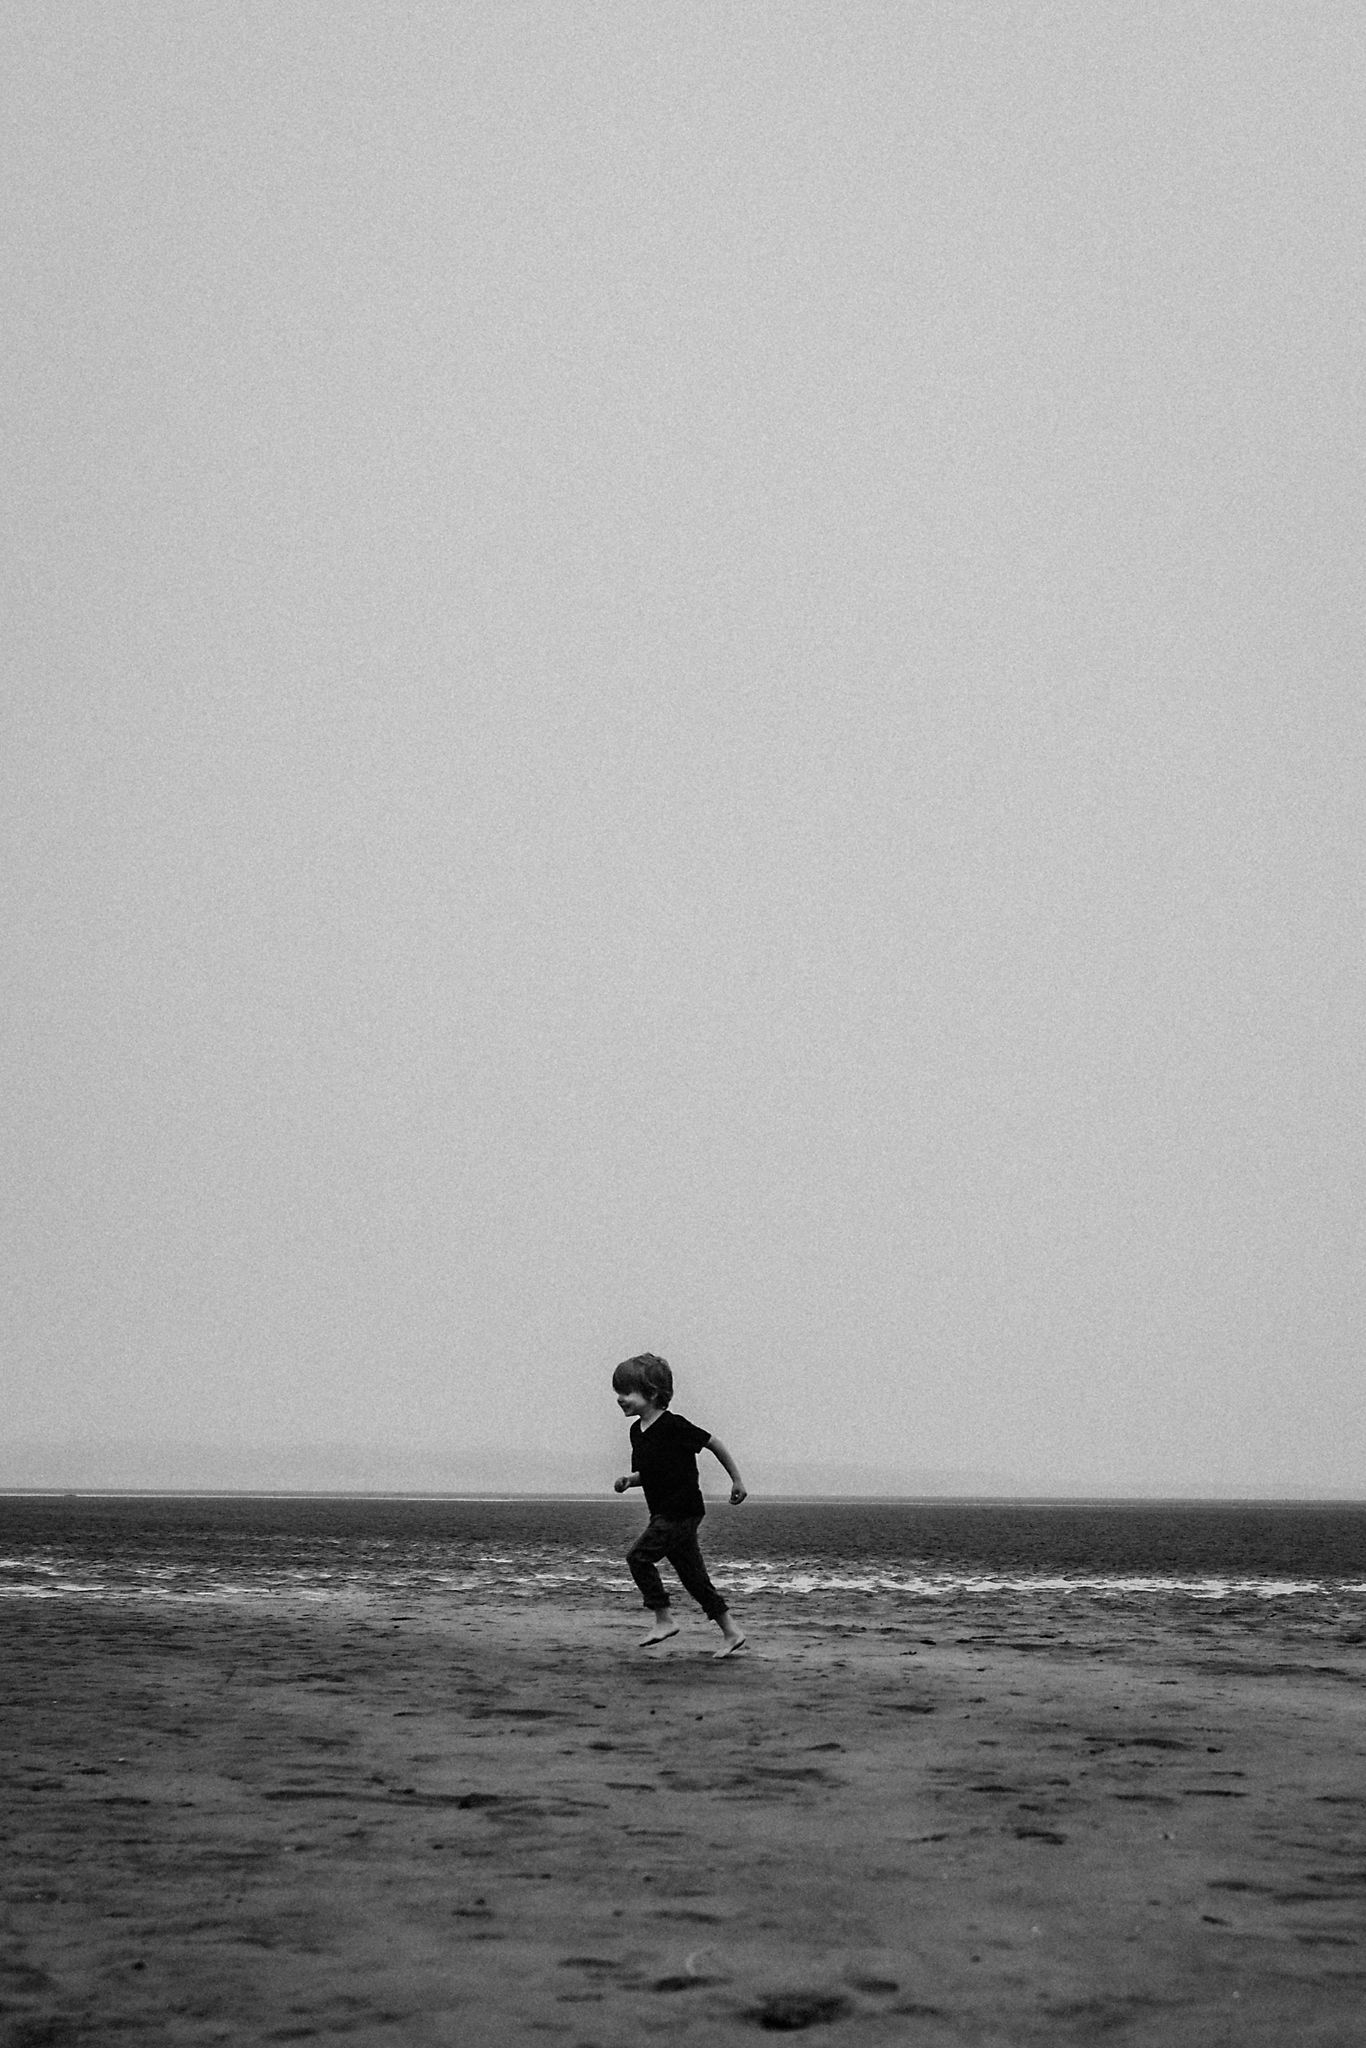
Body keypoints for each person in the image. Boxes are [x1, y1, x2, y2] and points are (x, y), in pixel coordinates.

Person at [611, 1352, 748, 1658]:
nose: (620, 1399)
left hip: (681, 1510)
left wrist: (736, 1480)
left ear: (653, 1394)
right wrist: (629, 1480)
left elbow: (713, 1442)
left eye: (627, 1392)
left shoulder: (674, 1426)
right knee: (694, 1578)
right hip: (663, 1512)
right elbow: (650, 1472)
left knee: (639, 1558)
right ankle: (732, 1632)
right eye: (618, 1393)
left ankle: (664, 1619)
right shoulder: (637, 1432)